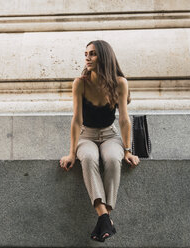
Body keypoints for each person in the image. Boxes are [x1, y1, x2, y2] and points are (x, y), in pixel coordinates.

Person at [59, 40, 140, 242]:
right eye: (86, 53)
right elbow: (77, 120)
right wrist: (71, 153)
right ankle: (105, 218)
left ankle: (104, 217)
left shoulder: (120, 82)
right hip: (86, 135)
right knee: (88, 158)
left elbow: (123, 119)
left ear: (104, 57)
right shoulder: (80, 83)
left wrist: (128, 150)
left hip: (109, 135)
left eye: (93, 54)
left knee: (113, 159)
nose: (87, 57)